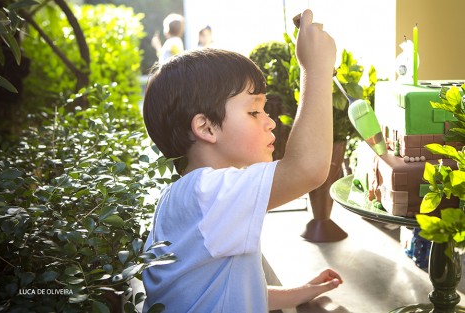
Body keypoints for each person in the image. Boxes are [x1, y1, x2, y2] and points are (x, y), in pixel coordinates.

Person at [141, 9, 341, 312]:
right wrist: (316, 69)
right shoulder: (207, 193)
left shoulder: (182, 198)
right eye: (254, 111)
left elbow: (223, 292)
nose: (270, 122)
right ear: (206, 127)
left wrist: (300, 292)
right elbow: (308, 168)